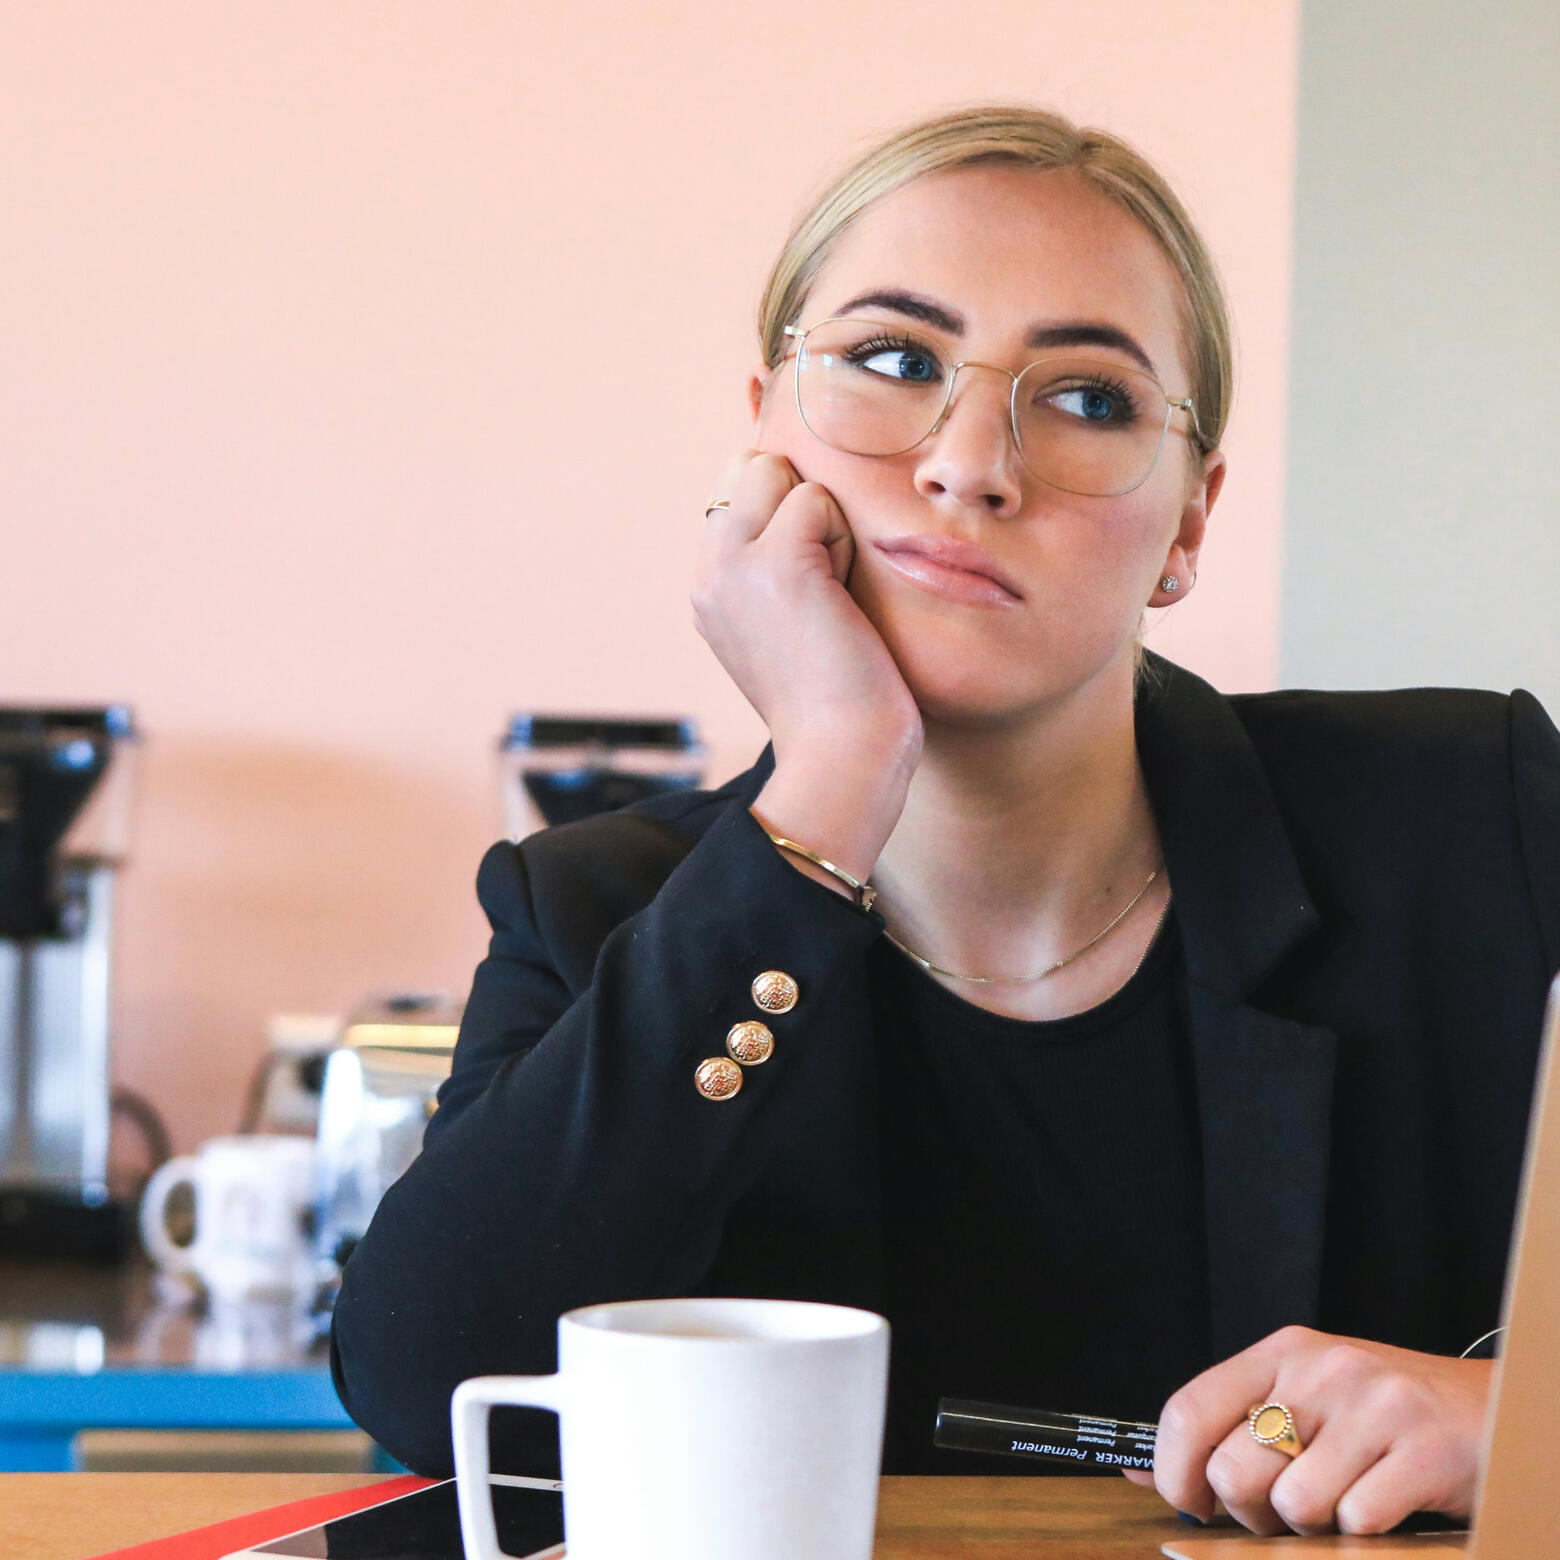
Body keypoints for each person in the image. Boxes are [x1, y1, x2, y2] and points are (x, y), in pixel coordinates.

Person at [330, 104, 1560, 1537]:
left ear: (1192, 526)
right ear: (762, 441)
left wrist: (1520, 1420)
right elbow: (431, 1384)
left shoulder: (1481, 820)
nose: (970, 462)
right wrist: (835, 782)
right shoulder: (600, 909)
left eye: (1090, 397)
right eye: (893, 361)